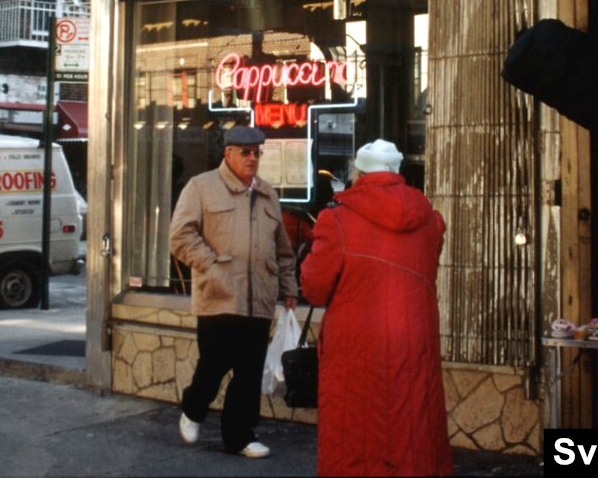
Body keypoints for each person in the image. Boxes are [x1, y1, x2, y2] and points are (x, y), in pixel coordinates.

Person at [299, 139, 452, 477]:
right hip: (414, 343)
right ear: (398, 172)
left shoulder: (336, 219)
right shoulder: (431, 220)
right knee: (412, 437)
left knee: (354, 441)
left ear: (359, 172)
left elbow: (315, 288)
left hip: (355, 347)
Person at [169, 125, 297, 459]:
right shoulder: (202, 187)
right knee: (213, 364)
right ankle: (194, 408)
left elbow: (283, 251)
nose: (253, 158)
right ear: (228, 153)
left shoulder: (268, 194)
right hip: (220, 294)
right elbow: (181, 236)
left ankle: (239, 436)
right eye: (246, 152)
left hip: (260, 298)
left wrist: (289, 289)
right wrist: (212, 265)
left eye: (257, 152)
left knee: (249, 370)